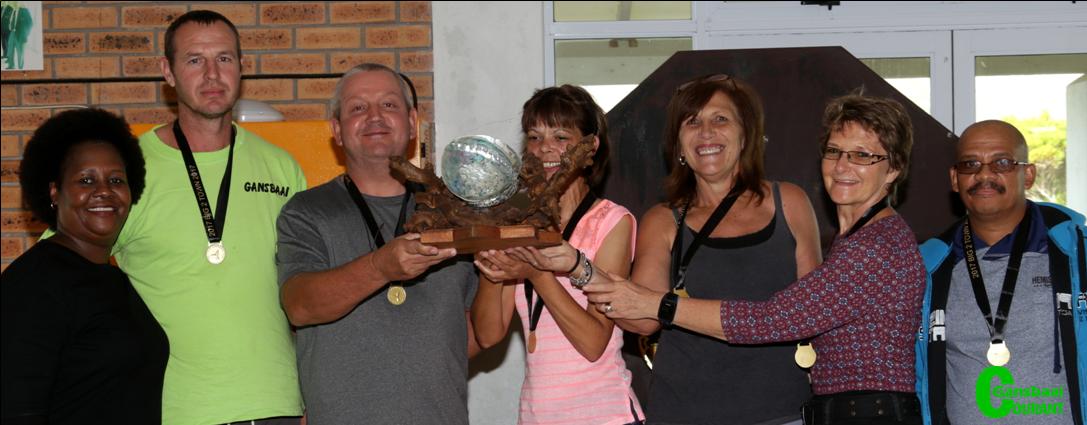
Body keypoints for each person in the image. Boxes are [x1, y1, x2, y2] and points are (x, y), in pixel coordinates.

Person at [581, 93, 927, 425]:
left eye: (862, 155)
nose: (842, 166)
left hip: (867, 414)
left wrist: (660, 304)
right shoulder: (856, 238)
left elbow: (772, 320)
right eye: (834, 151)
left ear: (893, 168)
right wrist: (580, 270)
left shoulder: (875, 246)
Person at [63, 10, 306, 425]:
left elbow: (305, 290)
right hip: (170, 411)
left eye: (224, 59)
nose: (212, 74)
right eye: (195, 60)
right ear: (168, 72)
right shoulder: (125, 170)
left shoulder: (282, 168)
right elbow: (62, 271)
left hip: (276, 406)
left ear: (242, 67)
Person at [275, 63, 478, 425]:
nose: (374, 116)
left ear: (412, 122)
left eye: (388, 104)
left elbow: (479, 331)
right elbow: (299, 307)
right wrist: (381, 267)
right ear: (337, 130)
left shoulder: (456, 212)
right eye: (357, 107)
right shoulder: (306, 211)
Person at [471, 84, 644, 424]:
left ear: (590, 146)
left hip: (604, 415)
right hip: (536, 415)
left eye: (561, 136)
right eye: (534, 137)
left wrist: (537, 274)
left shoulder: (611, 221)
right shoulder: (518, 224)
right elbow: (488, 335)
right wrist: (492, 264)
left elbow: (594, 342)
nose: (544, 148)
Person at [916, 120, 1087, 425]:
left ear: (1028, 174)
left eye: (1002, 163)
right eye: (970, 164)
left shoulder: (1078, 254)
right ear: (955, 179)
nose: (984, 175)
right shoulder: (930, 266)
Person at [2, 108, 167, 424]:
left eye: (116, 180)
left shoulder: (114, 279)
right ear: (55, 192)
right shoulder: (33, 285)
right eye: (86, 180)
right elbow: (16, 408)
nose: (104, 191)